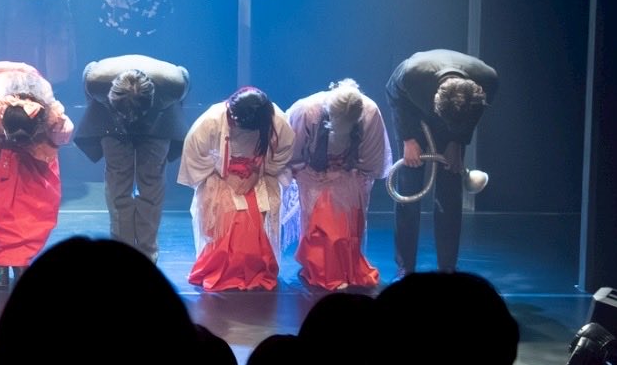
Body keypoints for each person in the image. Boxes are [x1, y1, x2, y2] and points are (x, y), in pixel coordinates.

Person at [0, 60, 74, 288]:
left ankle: (22, 260)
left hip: (33, 161)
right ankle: (0, 262)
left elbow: (63, 133)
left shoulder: (50, 112)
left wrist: (46, 135)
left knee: (33, 209)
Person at [386, 49, 498, 275]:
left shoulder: (488, 80)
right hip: (413, 116)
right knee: (409, 188)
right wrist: (408, 138)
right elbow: (393, 94)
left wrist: (458, 140)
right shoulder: (412, 74)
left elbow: (475, 114)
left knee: (450, 190)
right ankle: (405, 267)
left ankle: (447, 268)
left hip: (457, 124)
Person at [74, 55, 190, 261]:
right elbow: (92, 102)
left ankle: (147, 253)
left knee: (151, 183)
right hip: (111, 121)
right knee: (118, 183)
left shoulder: (175, 84)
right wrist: (104, 118)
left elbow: (178, 104)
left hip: (158, 122)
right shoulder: (95, 81)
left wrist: (156, 117)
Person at [180, 87, 293, 291]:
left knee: (255, 218)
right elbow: (195, 155)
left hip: (257, 175)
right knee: (227, 218)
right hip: (220, 176)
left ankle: (254, 268)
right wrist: (224, 172)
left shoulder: (277, 122)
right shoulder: (211, 121)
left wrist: (256, 172)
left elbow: (283, 151)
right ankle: (222, 269)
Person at [283, 79, 390, 291]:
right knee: (323, 226)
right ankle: (321, 269)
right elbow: (294, 149)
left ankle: (345, 268)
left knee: (348, 228)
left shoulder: (369, 113)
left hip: (349, 175)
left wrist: (354, 173)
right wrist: (305, 171)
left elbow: (371, 156)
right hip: (314, 175)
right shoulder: (307, 111)